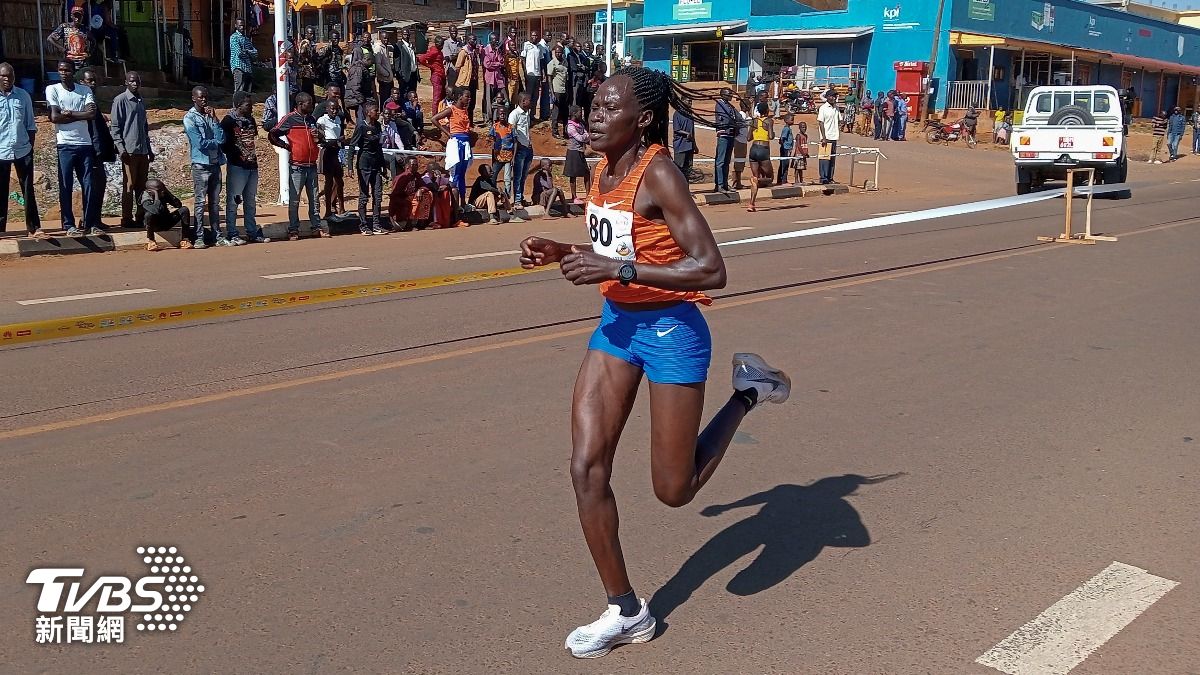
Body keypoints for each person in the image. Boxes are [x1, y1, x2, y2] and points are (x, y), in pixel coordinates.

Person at [516, 66, 791, 659]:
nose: (594, 115)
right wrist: (564, 251)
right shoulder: (602, 167)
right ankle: (626, 611)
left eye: (608, 108)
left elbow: (712, 269)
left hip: (672, 332)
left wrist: (619, 271)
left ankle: (747, 392)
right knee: (586, 469)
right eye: (593, 104)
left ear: (640, 119)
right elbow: (622, 248)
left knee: (674, 489)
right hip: (617, 326)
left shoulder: (659, 172)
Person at [47, 60, 101, 237]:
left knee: (89, 185)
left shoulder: (84, 90)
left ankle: (90, 222)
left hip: (85, 144)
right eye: (61, 70)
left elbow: (91, 114)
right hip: (65, 145)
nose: (64, 73)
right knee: (65, 185)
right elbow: (54, 117)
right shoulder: (52, 89)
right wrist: (80, 116)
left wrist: (68, 113)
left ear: (73, 72)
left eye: (67, 70)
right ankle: (68, 224)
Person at [270, 92, 328, 240]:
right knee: (294, 199)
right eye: (309, 103)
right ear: (300, 104)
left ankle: (316, 227)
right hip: (296, 166)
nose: (312, 105)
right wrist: (286, 146)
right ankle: (293, 229)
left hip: (311, 165)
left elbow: (320, 139)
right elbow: (273, 134)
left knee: (314, 199)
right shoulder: (290, 119)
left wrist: (319, 136)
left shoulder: (311, 119)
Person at [0, 63, 46, 239]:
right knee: (1, 191)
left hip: (22, 149)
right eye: (3, 76)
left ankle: (34, 228)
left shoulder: (23, 96)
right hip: (1, 150)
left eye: (10, 76)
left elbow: (30, 125)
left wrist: (30, 149)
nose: (7, 79)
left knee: (28, 190)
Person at [221, 92, 268, 245]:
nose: (251, 108)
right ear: (238, 105)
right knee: (234, 201)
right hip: (237, 167)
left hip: (252, 166)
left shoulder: (250, 120)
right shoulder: (228, 121)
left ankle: (252, 232)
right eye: (248, 105)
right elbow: (224, 144)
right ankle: (232, 233)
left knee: (250, 201)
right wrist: (237, 155)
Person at [183, 86, 227, 248]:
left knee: (215, 203)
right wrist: (217, 142)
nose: (204, 99)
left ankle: (217, 235)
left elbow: (222, 136)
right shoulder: (189, 118)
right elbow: (199, 143)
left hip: (215, 164)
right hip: (201, 165)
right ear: (193, 98)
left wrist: (215, 119)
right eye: (201, 97)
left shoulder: (210, 115)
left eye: (206, 97)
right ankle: (199, 236)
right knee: (200, 202)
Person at [110, 70, 154, 230]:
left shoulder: (141, 100)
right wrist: (120, 149)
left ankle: (141, 216)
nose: (135, 84)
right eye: (132, 81)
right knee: (129, 185)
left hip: (142, 150)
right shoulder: (120, 100)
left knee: (142, 187)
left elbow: (144, 127)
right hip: (129, 151)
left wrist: (149, 149)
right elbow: (115, 127)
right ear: (126, 82)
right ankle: (126, 218)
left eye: (137, 81)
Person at [349, 100, 390, 235]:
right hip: (364, 164)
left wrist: (383, 165)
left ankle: (376, 224)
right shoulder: (361, 126)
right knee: (364, 195)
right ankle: (363, 225)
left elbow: (379, 147)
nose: (378, 113)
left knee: (377, 195)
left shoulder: (377, 125)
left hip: (376, 165)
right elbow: (352, 146)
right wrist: (350, 166)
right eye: (375, 111)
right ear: (368, 113)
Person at [430, 86, 474, 203]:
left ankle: (463, 202)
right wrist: (447, 132)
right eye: (467, 97)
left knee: (462, 173)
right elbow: (434, 119)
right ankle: (452, 203)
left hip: (465, 143)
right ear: (460, 97)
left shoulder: (465, 110)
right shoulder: (451, 109)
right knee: (454, 174)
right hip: (456, 143)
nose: (469, 99)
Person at [316, 96, 347, 219]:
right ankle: (328, 210)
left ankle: (341, 208)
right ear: (327, 109)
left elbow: (340, 134)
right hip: (327, 151)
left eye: (336, 109)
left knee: (339, 181)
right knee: (329, 181)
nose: (335, 111)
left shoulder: (339, 119)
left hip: (337, 151)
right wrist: (334, 140)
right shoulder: (322, 120)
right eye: (332, 109)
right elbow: (320, 137)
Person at [139, 179, 190, 251]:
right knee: (149, 215)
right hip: (154, 226)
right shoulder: (145, 198)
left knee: (184, 210)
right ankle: (151, 241)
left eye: (163, 188)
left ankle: (185, 239)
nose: (162, 191)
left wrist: (167, 192)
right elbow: (155, 211)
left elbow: (178, 205)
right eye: (159, 190)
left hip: (166, 221)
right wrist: (156, 196)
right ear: (150, 191)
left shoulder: (163, 193)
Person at [746, 101, 774, 212]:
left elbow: (748, 138)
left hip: (753, 149)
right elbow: (771, 136)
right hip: (763, 149)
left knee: (755, 176)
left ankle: (751, 204)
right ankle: (757, 180)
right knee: (770, 178)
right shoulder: (769, 121)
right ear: (767, 111)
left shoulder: (754, 121)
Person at [508, 92, 534, 206]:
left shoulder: (527, 113)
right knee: (518, 176)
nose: (530, 102)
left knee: (524, 176)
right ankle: (517, 200)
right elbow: (512, 133)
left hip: (528, 148)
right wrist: (518, 145)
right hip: (520, 149)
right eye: (528, 100)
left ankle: (521, 197)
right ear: (523, 101)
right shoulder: (514, 114)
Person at [47, 8, 92, 72]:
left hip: (83, 62)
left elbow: (93, 41)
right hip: (69, 61)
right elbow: (50, 38)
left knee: (82, 79)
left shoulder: (84, 29)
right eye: (75, 15)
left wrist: (89, 53)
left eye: (79, 16)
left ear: (82, 17)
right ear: (71, 16)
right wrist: (62, 49)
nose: (77, 18)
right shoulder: (65, 27)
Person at [713, 88, 739, 193]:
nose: (731, 96)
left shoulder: (730, 106)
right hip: (723, 135)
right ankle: (719, 185)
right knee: (721, 161)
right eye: (729, 94)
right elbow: (727, 118)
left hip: (731, 134)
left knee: (727, 161)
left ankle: (724, 184)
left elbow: (736, 117)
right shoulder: (720, 105)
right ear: (723, 95)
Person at [564, 106, 591, 205]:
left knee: (586, 174)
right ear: (574, 113)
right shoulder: (570, 126)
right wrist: (585, 136)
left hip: (580, 151)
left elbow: (586, 136)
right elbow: (581, 137)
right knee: (573, 175)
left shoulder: (580, 124)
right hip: (573, 152)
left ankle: (588, 195)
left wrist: (585, 136)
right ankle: (574, 196)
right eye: (580, 112)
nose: (581, 114)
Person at [489, 102, 515, 202]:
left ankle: (507, 198)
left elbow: (515, 142)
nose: (502, 116)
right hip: (497, 157)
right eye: (501, 114)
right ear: (498, 115)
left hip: (508, 157)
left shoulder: (511, 127)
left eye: (504, 114)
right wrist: (493, 156)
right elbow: (492, 141)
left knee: (507, 179)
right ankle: (494, 196)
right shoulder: (495, 127)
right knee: (493, 176)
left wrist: (514, 156)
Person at [454, 35, 480, 125]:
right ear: (468, 40)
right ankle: (463, 121)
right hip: (465, 81)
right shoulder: (464, 52)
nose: (475, 41)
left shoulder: (474, 51)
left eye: (475, 39)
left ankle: (470, 121)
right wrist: (461, 77)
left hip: (473, 80)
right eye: (473, 40)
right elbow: (457, 66)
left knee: (472, 102)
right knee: (465, 102)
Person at [816, 92, 840, 184]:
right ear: (827, 97)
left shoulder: (836, 108)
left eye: (835, 96)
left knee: (832, 159)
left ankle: (830, 177)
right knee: (824, 159)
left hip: (834, 136)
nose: (834, 98)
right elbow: (821, 123)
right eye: (832, 96)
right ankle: (823, 177)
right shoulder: (823, 108)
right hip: (826, 137)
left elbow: (839, 120)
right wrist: (824, 137)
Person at [416, 36, 446, 112]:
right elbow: (421, 59)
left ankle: (440, 114)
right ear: (436, 43)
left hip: (441, 75)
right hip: (436, 76)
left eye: (442, 44)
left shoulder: (439, 51)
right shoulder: (434, 51)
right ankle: (434, 116)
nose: (441, 46)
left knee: (442, 96)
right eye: (440, 44)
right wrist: (430, 66)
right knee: (437, 97)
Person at [229, 19, 258, 94]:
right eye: (240, 25)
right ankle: (236, 105)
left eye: (243, 25)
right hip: (238, 66)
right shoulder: (234, 37)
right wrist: (249, 52)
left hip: (247, 68)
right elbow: (239, 53)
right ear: (236, 26)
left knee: (247, 92)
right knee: (239, 90)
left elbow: (255, 53)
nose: (242, 27)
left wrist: (247, 52)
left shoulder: (246, 39)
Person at [483, 34, 506, 123]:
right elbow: (487, 65)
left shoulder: (497, 50)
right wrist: (497, 64)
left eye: (496, 40)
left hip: (498, 78)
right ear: (490, 40)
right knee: (489, 99)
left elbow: (502, 62)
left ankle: (498, 117)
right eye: (493, 40)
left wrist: (496, 62)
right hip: (490, 78)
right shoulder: (486, 50)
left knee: (502, 97)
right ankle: (489, 118)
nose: (495, 41)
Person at [522, 30, 544, 121]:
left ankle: (532, 115)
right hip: (529, 74)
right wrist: (525, 72)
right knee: (528, 96)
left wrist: (542, 73)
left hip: (537, 74)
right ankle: (526, 115)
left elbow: (541, 60)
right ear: (530, 36)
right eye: (533, 35)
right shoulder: (526, 45)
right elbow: (523, 58)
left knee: (535, 96)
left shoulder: (540, 46)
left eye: (536, 35)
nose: (534, 37)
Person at [548, 45, 570, 138]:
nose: (558, 54)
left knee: (565, 112)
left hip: (564, 90)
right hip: (556, 90)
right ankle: (555, 132)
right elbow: (549, 78)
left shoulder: (565, 62)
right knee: (556, 112)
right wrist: (552, 93)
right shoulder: (552, 63)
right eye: (556, 52)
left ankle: (565, 132)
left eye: (560, 52)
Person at [672, 106, 696, 183]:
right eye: (688, 101)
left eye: (690, 101)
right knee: (679, 169)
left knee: (688, 169)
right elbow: (676, 129)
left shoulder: (690, 114)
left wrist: (694, 145)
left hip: (689, 145)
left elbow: (692, 132)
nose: (690, 103)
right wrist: (687, 133)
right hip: (680, 145)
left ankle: (686, 190)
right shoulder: (677, 113)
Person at [373, 30, 396, 107]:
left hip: (389, 78)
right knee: (384, 99)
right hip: (383, 79)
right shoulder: (378, 48)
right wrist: (387, 74)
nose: (386, 40)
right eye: (385, 38)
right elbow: (378, 65)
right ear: (381, 38)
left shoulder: (386, 47)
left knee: (390, 98)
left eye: (387, 38)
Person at [732, 100, 750, 190]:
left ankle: (737, 182)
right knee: (739, 161)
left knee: (740, 162)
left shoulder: (743, 115)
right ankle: (736, 183)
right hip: (740, 141)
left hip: (741, 140)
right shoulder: (742, 115)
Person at [297, 27, 319, 96]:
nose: (312, 35)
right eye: (310, 34)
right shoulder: (305, 43)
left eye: (313, 34)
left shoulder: (311, 43)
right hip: (306, 70)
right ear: (306, 34)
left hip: (310, 70)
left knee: (310, 89)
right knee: (306, 89)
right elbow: (303, 55)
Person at [776, 113, 794, 185]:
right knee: (784, 164)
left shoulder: (788, 128)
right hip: (785, 149)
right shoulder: (786, 129)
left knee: (784, 164)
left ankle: (781, 180)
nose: (793, 121)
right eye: (792, 120)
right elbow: (782, 138)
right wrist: (784, 147)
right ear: (786, 120)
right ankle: (783, 180)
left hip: (786, 148)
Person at [792, 120, 810, 185]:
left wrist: (806, 153)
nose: (804, 128)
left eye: (805, 127)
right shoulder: (798, 136)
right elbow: (799, 146)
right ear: (799, 128)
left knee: (801, 168)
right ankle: (796, 180)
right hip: (798, 154)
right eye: (802, 127)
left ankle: (801, 180)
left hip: (803, 154)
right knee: (797, 168)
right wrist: (803, 154)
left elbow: (804, 145)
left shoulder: (806, 136)